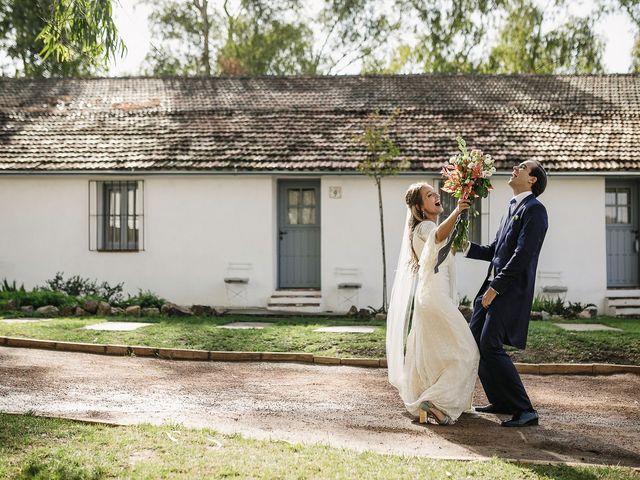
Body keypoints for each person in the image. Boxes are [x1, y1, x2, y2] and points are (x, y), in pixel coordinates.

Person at [387, 182, 480, 425]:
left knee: (439, 354)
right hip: (434, 299)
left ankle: (440, 404)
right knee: (468, 351)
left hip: (432, 298)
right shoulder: (426, 227)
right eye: (430, 195)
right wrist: (458, 210)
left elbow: (446, 244)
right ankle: (437, 402)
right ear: (419, 207)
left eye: (435, 192)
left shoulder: (426, 228)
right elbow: (438, 236)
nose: (436, 195)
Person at [465, 160, 548, 427]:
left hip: (509, 290)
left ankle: (525, 409)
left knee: (490, 342)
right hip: (491, 287)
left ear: (532, 180)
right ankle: (500, 400)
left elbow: (522, 255)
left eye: (523, 167)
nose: (516, 168)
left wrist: (496, 288)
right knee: (474, 341)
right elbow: (495, 251)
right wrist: (464, 246)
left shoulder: (535, 210)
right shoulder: (511, 207)